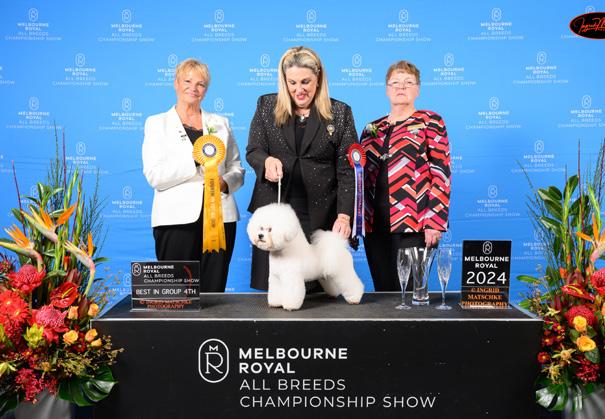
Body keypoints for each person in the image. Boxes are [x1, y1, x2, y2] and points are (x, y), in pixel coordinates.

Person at [246, 46, 358, 291]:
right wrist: (265, 161)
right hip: (276, 210)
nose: (299, 89)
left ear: (318, 79)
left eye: (306, 82)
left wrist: (344, 215)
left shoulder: (340, 113)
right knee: (276, 288)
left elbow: (347, 170)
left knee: (319, 293)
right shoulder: (266, 105)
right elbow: (254, 150)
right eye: (292, 83)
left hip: (320, 212)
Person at [142, 58, 245, 292]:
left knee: (214, 292)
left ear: (206, 90)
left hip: (221, 219)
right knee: (177, 295)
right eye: (187, 81)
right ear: (176, 83)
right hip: (175, 221)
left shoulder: (221, 123)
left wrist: (225, 183)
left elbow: (237, 168)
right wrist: (194, 160)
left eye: (201, 84)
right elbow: (154, 175)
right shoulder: (157, 123)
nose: (194, 88)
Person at [360, 60, 451, 291]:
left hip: (414, 223)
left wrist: (435, 222)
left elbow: (441, 173)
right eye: (395, 82)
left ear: (417, 89)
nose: (401, 86)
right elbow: (360, 178)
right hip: (375, 227)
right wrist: (357, 222)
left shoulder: (430, 121)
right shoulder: (372, 128)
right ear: (387, 89)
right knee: (383, 293)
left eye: (408, 82)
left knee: (411, 293)